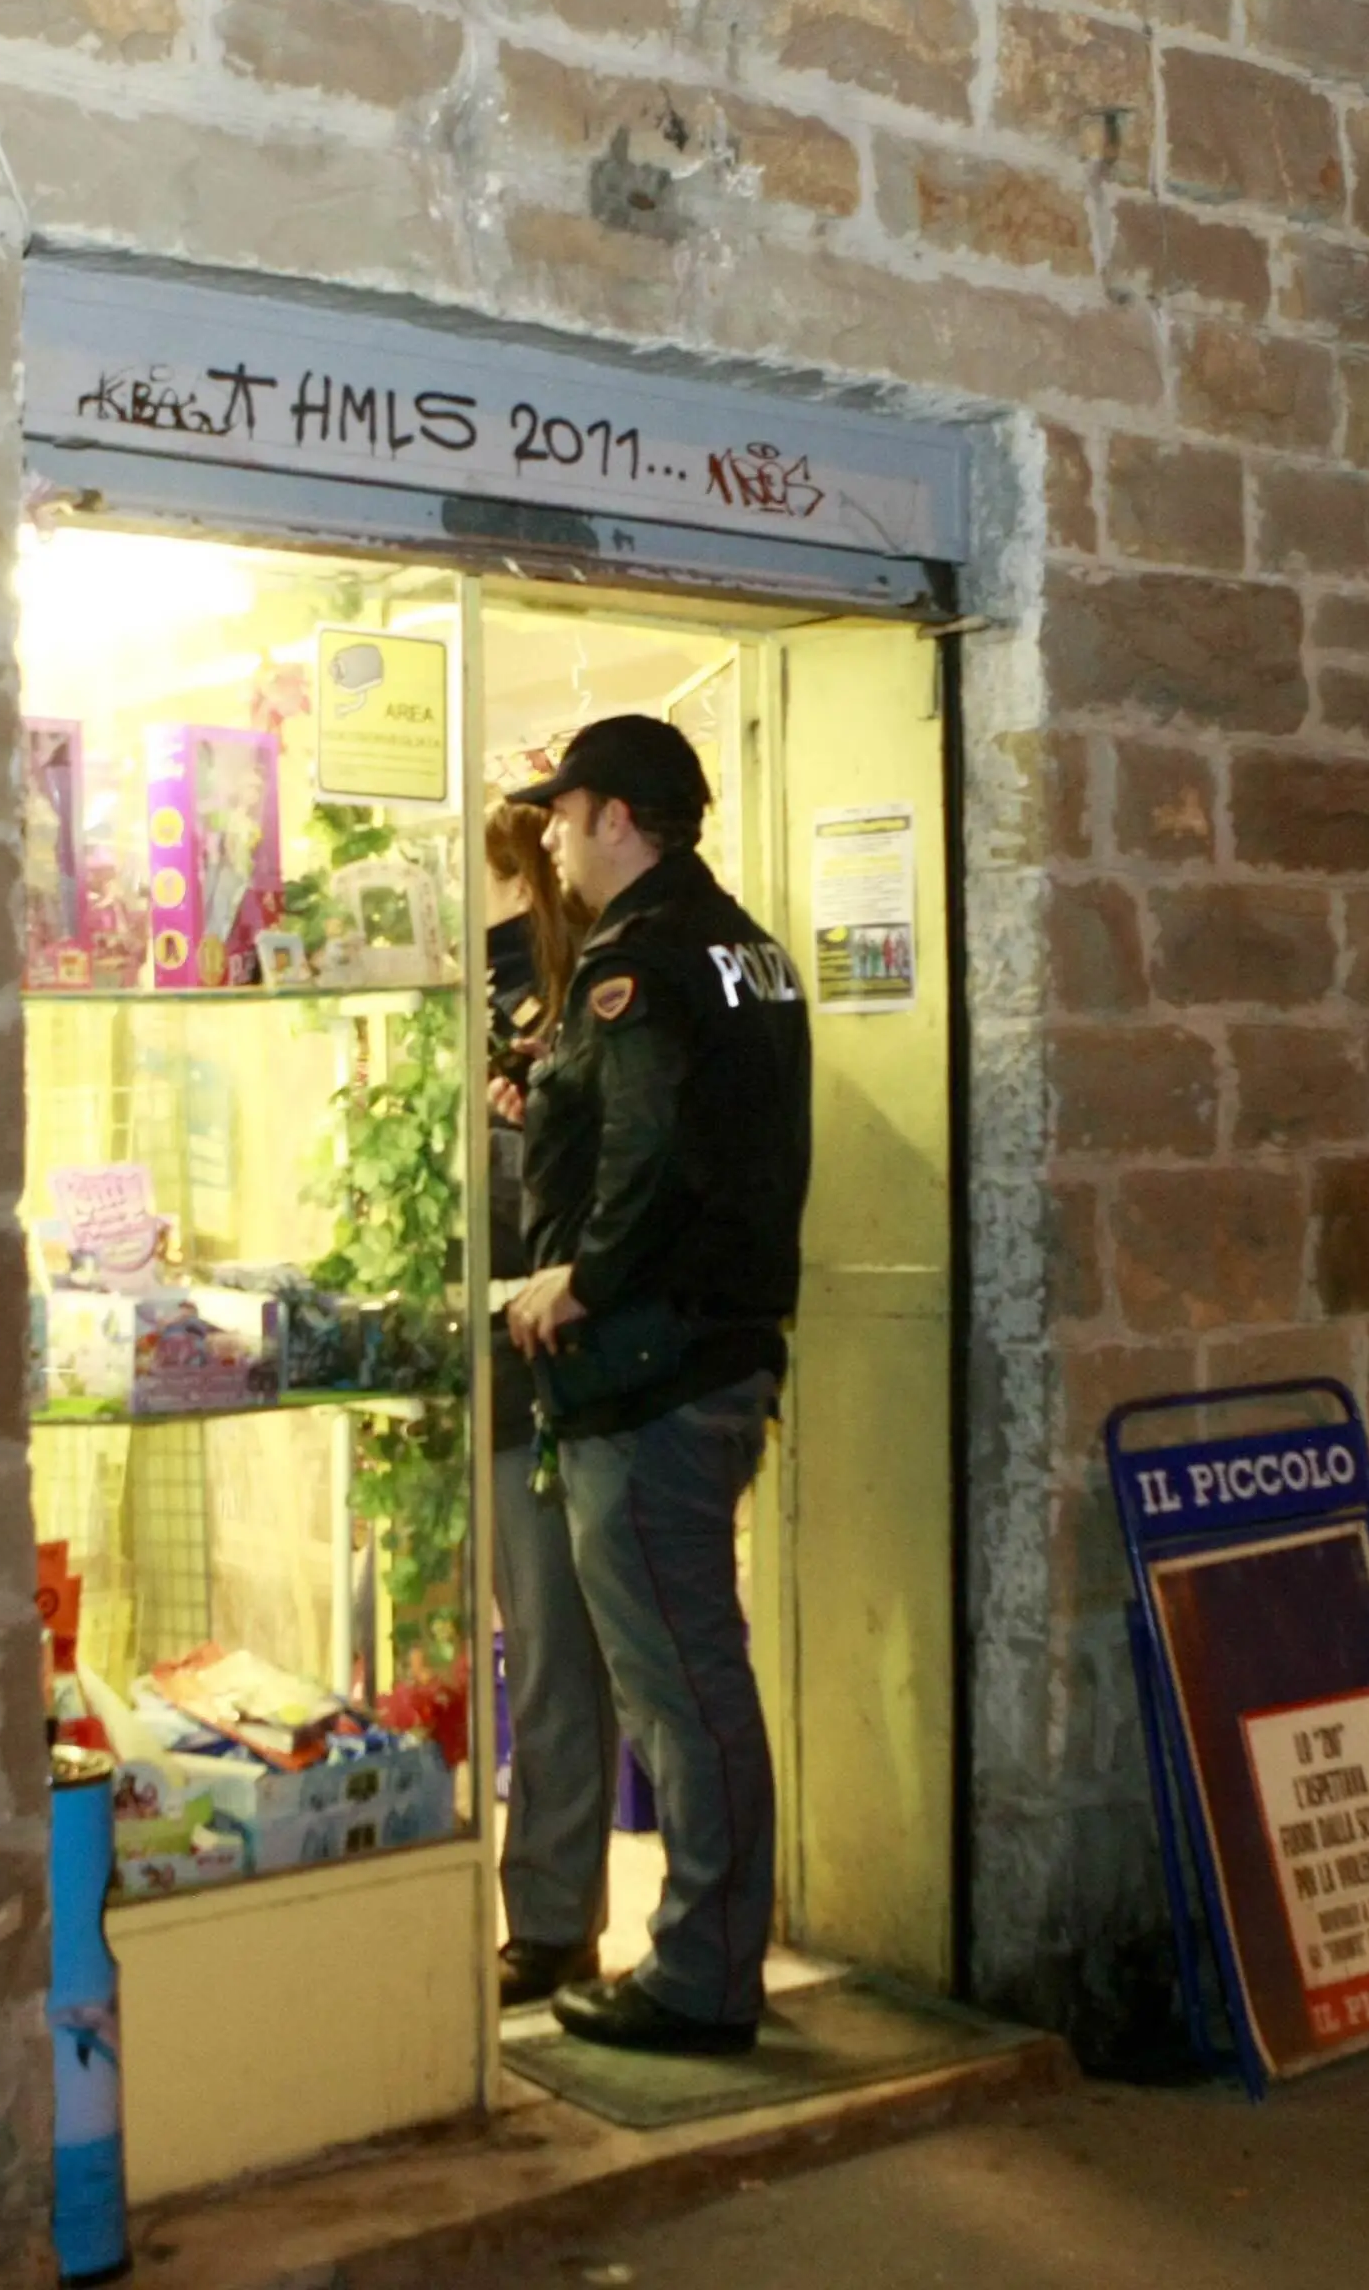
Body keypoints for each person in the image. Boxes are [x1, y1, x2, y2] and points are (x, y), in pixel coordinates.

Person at [502, 714, 812, 2057]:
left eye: (564, 819)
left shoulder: (639, 962)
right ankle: (713, 1952)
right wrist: (545, 1101)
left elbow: (657, 1151)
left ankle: (699, 1975)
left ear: (616, 816)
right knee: (697, 1677)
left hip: (655, 1370)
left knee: (682, 1690)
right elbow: (675, 1120)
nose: (557, 844)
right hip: (717, 1354)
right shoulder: (741, 944)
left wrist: (580, 1282)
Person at [479, 805, 615, 2012]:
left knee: (557, 1663)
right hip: (495, 1379)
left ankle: (556, 1920)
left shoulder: (571, 1021)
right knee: (544, 1661)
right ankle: (551, 1913)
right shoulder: (522, 1009)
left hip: (543, 1381)